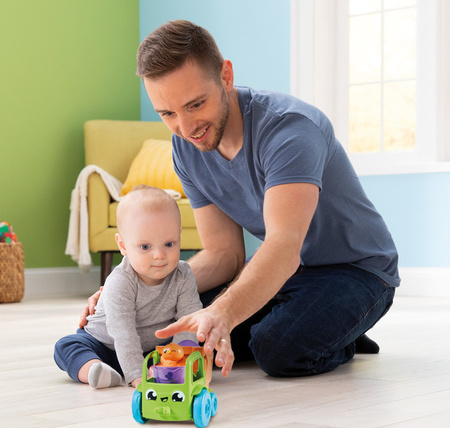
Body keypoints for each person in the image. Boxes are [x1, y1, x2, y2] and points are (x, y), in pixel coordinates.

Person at [80, 20, 399, 379]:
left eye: (195, 104)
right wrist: (135, 286)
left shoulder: (290, 130)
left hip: (354, 270)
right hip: (286, 273)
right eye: (167, 114)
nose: (185, 129)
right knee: (173, 322)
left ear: (225, 76)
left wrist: (224, 312)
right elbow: (224, 255)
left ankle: (340, 332)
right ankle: (315, 320)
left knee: (276, 349)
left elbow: (283, 246)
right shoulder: (186, 149)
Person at [55, 185, 202, 388]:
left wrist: (178, 360)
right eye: (145, 247)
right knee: (66, 346)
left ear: (179, 236)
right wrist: (135, 375)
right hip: (105, 344)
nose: (159, 255)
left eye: (169, 244)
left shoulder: (183, 274)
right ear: (123, 246)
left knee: (189, 342)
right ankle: (95, 370)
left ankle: (150, 368)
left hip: (151, 349)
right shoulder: (121, 281)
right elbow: (122, 333)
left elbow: (188, 320)